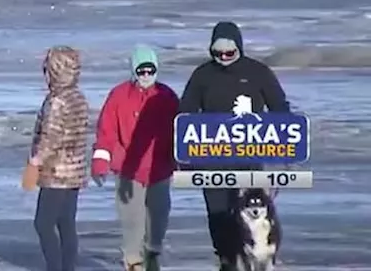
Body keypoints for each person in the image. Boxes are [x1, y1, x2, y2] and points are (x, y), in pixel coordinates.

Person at [178, 22, 290, 271]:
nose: (224, 58)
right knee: (218, 215)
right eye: (218, 54)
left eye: (230, 53)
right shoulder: (203, 75)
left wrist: (285, 147)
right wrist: (184, 156)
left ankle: (257, 260)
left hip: (249, 158)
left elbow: (280, 109)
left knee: (251, 214)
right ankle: (227, 261)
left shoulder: (258, 72)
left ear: (239, 48)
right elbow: (185, 114)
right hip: (211, 160)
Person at [91, 45, 179, 271]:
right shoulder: (118, 96)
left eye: (151, 71)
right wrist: (101, 162)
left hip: (159, 168)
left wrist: (185, 159)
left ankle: (153, 253)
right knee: (132, 220)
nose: (146, 76)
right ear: (134, 72)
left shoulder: (167, 96)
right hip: (128, 170)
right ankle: (133, 261)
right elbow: (106, 132)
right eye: (142, 72)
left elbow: (181, 131)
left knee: (158, 217)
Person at [29, 46, 90, 271]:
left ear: (55, 71)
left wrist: (36, 161)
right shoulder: (78, 97)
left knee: (43, 224)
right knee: (66, 223)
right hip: (74, 172)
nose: (44, 74)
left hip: (56, 173)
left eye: (46, 69)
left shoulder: (57, 101)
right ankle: (67, 267)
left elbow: (51, 137)